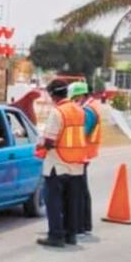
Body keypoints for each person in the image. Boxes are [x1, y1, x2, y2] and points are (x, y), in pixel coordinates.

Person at [36, 78, 87, 248]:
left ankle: (56, 236)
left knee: (54, 202)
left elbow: (50, 140)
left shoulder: (57, 112)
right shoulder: (79, 111)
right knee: (71, 202)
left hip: (56, 164)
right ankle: (70, 235)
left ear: (52, 95)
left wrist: (40, 145)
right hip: (76, 165)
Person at [68, 80, 101, 235]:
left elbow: (82, 133)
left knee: (78, 191)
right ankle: (84, 224)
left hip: (82, 153)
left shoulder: (88, 110)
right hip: (84, 153)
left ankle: (80, 225)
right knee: (82, 189)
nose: (73, 102)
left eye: (75, 98)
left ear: (81, 95)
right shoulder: (91, 106)